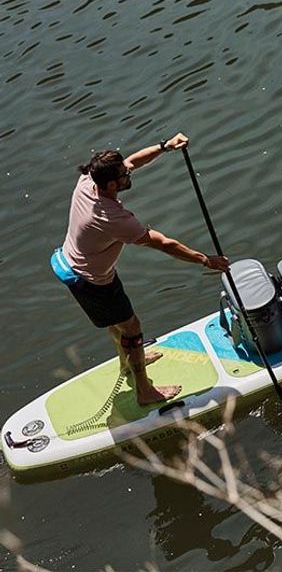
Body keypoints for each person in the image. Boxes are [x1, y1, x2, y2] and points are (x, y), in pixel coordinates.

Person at [54, 133, 230, 405]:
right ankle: (144, 392)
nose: (128, 174)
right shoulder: (113, 218)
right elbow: (163, 243)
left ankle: (128, 362)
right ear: (112, 184)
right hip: (92, 280)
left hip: (81, 265)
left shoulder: (89, 179)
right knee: (132, 328)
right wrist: (206, 260)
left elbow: (134, 160)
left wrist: (165, 146)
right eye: (124, 175)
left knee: (117, 322)